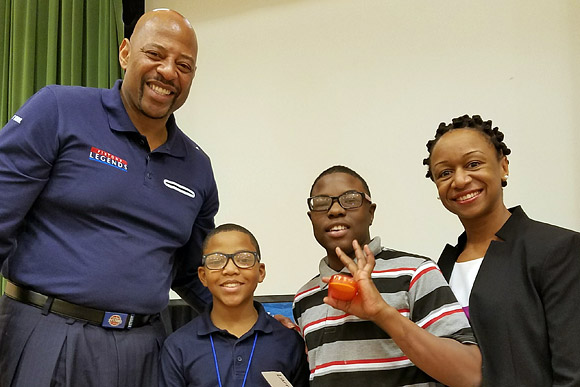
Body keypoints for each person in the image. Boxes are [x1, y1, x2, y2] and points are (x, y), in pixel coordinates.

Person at [0, 9, 218, 387]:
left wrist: (257, 319)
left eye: (184, 65)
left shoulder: (197, 167)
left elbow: (194, 273)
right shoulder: (58, 110)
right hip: (45, 332)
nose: (169, 72)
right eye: (155, 54)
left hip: (145, 349)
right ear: (124, 53)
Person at [422, 114, 580, 386]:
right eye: (445, 173)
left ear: (503, 166)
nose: (459, 181)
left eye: (473, 164)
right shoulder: (439, 268)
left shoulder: (557, 249)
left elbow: (573, 371)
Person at [293, 165, 482, 387]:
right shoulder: (303, 299)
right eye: (322, 203)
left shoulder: (415, 272)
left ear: (371, 212)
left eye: (351, 199)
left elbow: (470, 374)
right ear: (311, 218)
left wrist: (382, 313)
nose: (335, 210)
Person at [159, 223, 310, 387]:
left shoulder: (289, 342)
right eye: (216, 261)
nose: (230, 269)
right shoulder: (179, 346)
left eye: (244, 259)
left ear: (260, 272)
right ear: (203, 276)